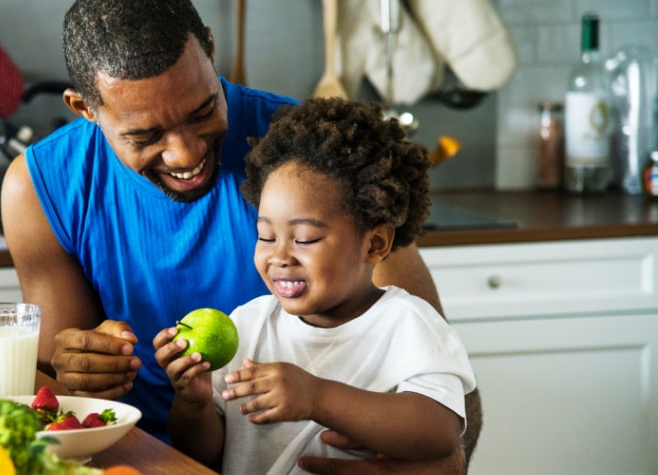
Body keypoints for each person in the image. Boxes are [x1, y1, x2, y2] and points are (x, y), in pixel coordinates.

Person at [0, 0, 482, 472]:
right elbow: (56, 396)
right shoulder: (42, 186)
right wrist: (79, 364)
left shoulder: (313, 162)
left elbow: (445, 402)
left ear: (210, 48)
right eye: (146, 136)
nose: (185, 153)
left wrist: (442, 467)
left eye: (203, 109)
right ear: (84, 107)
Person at [153, 98, 477, 474]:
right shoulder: (248, 325)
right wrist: (192, 403)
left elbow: (439, 432)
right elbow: (205, 455)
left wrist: (317, 397)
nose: (280, 256)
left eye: (304, 239)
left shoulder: (407, 324)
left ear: (374, 244)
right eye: (265, 236)